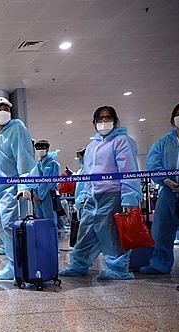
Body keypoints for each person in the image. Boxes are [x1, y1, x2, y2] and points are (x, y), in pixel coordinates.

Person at [60, 106, 142, 280]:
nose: (104, 122)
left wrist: (129, 197)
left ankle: (118, 269)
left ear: (115, 120)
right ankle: (79, 265)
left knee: (111, 232)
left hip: (112, 195)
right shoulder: (92, 146)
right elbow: (87, 172)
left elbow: (128, 170)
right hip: (93, 197)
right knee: (86, 231)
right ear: (94, 123)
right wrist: (84, 194)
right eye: (100, 119)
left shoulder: (121, 141)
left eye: (108, 118)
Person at [0, 97, 36, 280]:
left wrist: (25, 185)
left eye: (6, 107)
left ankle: (20, 266)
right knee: (4, 228)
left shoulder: (17, 129)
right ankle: (13, 264)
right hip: (0, 190)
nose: (3, 111)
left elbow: (24, 157)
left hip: (14, 189)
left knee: (12, 227)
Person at [140, 102, 179, 275]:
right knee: (161, 230)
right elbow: (153, 164)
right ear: (173, 119)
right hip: (168, 192)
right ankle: (160, 264)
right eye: (178, 114)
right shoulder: (163, 143)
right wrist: (166, 180)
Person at [26, 139, 60, 224]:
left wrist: (39, 196)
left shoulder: (52, 164)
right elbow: (33, 178)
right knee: (39, 222)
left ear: (47, 149)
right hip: (37, 196)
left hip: (47, 195)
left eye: (42, 148)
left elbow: (48, 183)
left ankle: (51, 238)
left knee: (50, 222)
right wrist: (34, 194)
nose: (39, 150)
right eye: (37, 148)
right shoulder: (38, 164)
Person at [74, 148, 88, 218]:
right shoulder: (81, 170)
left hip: (84, 202)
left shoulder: (88, 169)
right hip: (80, 202)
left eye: (79, 157)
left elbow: (86, 187)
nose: (78, 159)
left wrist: (81, 200)